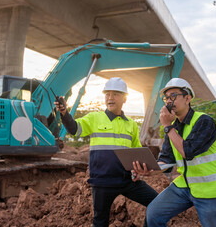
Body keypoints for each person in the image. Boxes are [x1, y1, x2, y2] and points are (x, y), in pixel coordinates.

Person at [54, 77, 158, 227]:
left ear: (124, 98)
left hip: (127, 181)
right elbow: (74, 129)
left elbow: (136, 153)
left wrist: (137, 171)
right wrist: (64, 112)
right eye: (107, 94)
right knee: (100, 222)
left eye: (115, 94)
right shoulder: (95, 118)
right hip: (102, 182)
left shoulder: (131, 125)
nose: (110, 97)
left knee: (156, 202)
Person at [133, 78, 216, 227]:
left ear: (187, 98)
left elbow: (188, 151)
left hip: (212, 190)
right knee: (154, 213)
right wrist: (150, 170)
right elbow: (166, 161)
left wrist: (167, 126)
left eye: (173, 96)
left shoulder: (204, 121)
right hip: (185, 186)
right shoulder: (172, 128)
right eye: (166, 98)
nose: (168, 101)